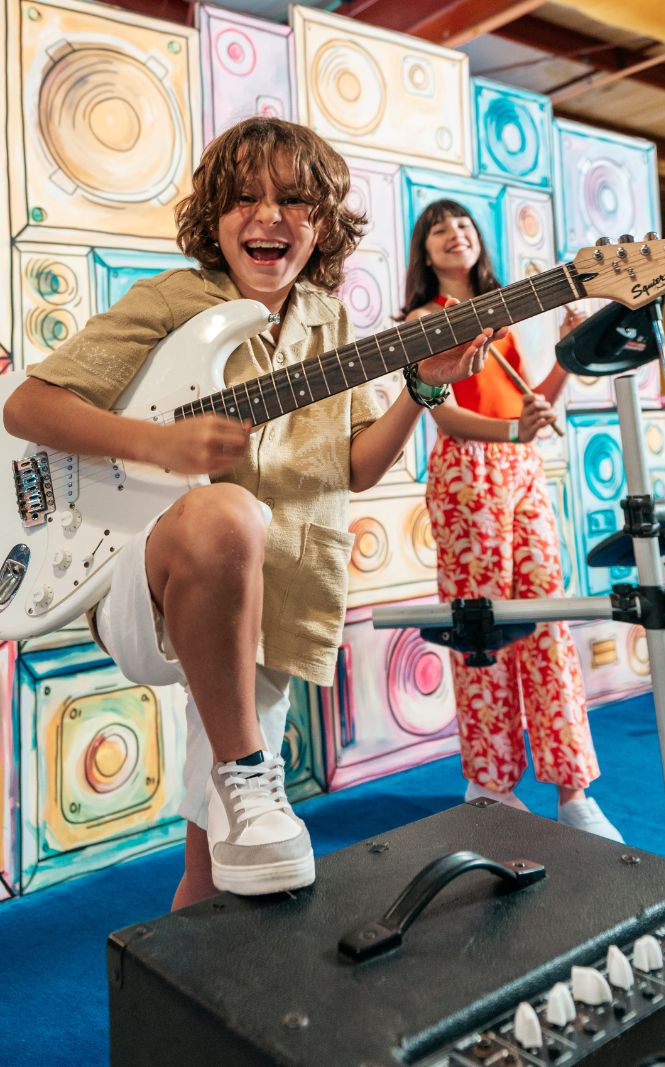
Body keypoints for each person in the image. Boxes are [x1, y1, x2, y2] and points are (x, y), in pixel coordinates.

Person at [2, 118, 500, 908]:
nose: (267, 216)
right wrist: (157, 442)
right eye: (243, 198)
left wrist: (422, 386)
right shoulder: (173, 298)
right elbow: (28, 406)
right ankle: (245, 773)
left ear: (324, 225)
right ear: (214, 218)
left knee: (225, 858)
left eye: (294, 200)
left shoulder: (330, 324)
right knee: (229, 514)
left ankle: (201, 969)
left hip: (275, 593)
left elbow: (358, 466)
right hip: (139, 577)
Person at [399, 200, 621, 842]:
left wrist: (567, 355)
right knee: (482, 629)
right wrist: (510, 432)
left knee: (547, 619)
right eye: (438, 229)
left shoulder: (501, 318)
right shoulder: (423, 320)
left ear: (478, 242)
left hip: (521, 473)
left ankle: (573, 788)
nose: (453, 234)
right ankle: (490, 782)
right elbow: (442, 417)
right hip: (466, 473)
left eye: (463, 225)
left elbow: (536, 407)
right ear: (425, 250)